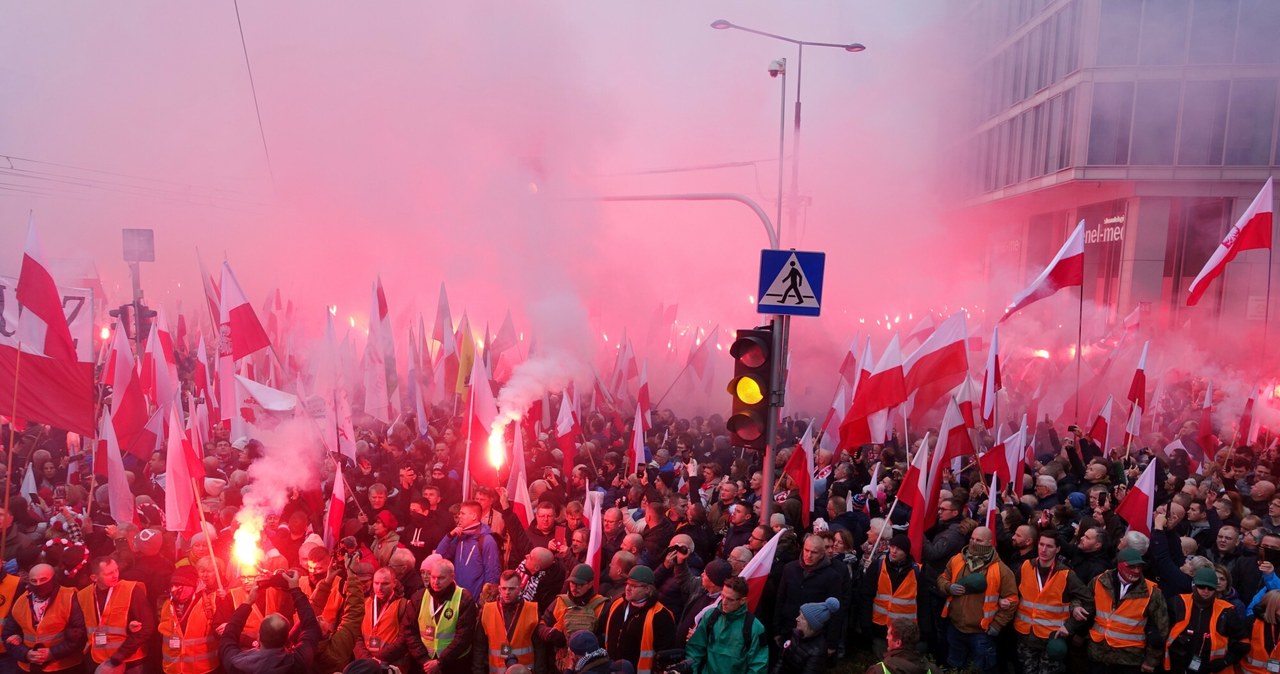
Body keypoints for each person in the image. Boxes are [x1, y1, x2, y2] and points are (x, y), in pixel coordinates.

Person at [936, 525, 1018, 674]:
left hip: (981, 632)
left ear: (989, 543)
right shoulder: (957, 560)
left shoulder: (1002, 571)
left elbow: (1012, 599)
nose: (973, 543)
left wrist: (997, 625)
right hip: (955, 627)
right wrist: (948, 587)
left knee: (980, 670)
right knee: (954, 666)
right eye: (972, 538)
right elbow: (942, 578)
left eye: (979, 540)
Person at [1078, 547, 1169, 674]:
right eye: (1131, 567)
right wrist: (1075, 608)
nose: (1136, 571)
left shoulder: (1152, 592)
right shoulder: (1100, 581)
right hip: (1098, 654)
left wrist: (1151, 661)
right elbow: (1082, 600)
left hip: (1129, 660)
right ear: (1120, 565)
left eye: (1139, 567)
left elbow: (1161, 629)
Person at [218, 569, 320, 674]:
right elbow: (310, 625)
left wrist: (248, 602)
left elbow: (228, 636)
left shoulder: (237, 664)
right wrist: (295, 589)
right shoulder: (299, 661)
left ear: (259, 637)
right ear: (287, 639)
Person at [1013, 531, 1086, 674]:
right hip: (1025, 635)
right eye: (1041, 544)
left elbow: (1087, 599)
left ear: (1058, 549)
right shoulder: (1026, 566)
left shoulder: (1066, 574)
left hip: (1051, 639)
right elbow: (1013, 592)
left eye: (1049, 546)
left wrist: (1070, 626)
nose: (1044, 550)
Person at [2, 563, 85, 673]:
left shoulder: (69, 597)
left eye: (43, 579)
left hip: (63, 666)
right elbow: (8, 634)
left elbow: (79, 634)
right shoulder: (21, 601)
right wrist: (26, 653)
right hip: (28, 666)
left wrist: (52, 653)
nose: (39, 584)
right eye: (34, 581)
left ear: (53, 578)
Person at [76, 556, 154, 674]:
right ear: (94, 578)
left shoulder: (131, 589)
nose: (115, 575)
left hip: (130, 661)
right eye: (109, 573)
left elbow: (147, 627)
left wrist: (119, 655)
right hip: (97, 659)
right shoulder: (83, 595)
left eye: (116, 570)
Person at [1163, 566, 1248, 673]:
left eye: (1210, 588)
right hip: (1177, 666)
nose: (1206, 591)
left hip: (1210, 668)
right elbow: (1161, 632)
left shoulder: (1227, 611)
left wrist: (1225, 662)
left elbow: (1244, 643)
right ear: (1194, 585)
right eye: (1202, 586)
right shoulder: (1177, 603)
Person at [774, 534, 847, 655]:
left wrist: (831, 643)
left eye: (814, 552)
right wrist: (776, 630)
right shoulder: (789, 569)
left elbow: (836, 613)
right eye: (806, 550)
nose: (809, 555)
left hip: (814, 637)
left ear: (822, 554)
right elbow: (780, 599)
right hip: (787, 629)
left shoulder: (832, 577)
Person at [402, 559, 477, 674]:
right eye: (433, 577)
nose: (436, 582)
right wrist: (425, 660)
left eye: (441, 578)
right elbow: (409, 631)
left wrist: (440, 662)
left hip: (455, 664)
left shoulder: (464, 599)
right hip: (424, 662)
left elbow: (463, 637)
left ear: (452, 577)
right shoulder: (418, 597)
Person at [683, 576, 768, 674]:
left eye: (730, 599)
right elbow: (695, 649)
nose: (724, 602)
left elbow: (758, 665)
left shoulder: (755, 627)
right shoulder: (710, 616)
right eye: (722, 596)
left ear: (742, 601)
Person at [157, 566, 232, 674]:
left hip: (204, 669)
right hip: (173, 669)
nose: (174, 589)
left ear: (192, 585)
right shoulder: (167, 604)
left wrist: (226, 598)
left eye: (179, 585)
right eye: (172, 585)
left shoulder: (211, 602)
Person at [601, 566, 675, 674]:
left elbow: (664, 656)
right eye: (627, 584)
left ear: (647, 589)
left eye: (634, 586)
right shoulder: (617, 605)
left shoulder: (661, 615)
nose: (628, 588)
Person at [537, 564, 608, 671]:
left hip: (589, 666)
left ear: (590, 584)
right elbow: (541, 625)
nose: (575, 587)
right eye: (572, 583)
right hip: (559, 664)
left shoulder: (602, 605)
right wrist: (550, 634)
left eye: (580, 584)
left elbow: (606, 636)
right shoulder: (559, 601)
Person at [863, 533, 919, 656]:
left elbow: (923, 602)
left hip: (905, 632)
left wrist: (924, 630)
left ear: (906, 552)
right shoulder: (878, 566)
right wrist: (866, 623)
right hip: (880, 629)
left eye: (898, 549)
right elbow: (866, 596)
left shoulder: (917, 571)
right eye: (892, 547)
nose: (893, 551)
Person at [474, 570, 539, 673]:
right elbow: (479, 646)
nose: (507, 592)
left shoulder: (532, 610)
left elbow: (539, 648)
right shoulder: (487, 611)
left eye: (511, 589)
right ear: (499, 589)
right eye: (504, 588)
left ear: (520, 589)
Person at [434, 502, 501, 601]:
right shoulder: (459, 536)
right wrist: (449, 536)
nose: (459, 516)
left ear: (473, 516)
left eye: (462, 513)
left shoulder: (487, 540)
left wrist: (483, 602)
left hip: (475, 602)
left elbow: (492, 574)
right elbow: (439, 556)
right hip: (456, 599)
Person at [771, 597, 840, 674]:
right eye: (799, 614)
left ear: (812, 625)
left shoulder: (817, 653)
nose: (797, 618)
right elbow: (781, 660)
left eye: (803, 618)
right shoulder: (794, 633)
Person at [354, 568, 407, 667]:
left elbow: (403, 639)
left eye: (385, 584)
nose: (379, 588)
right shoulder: (365, 603)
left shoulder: (403, 605)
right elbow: (356, 635)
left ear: (394, 583)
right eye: (376, 583)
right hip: (365, 663)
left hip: (390, 663)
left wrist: (378, 658)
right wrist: (367, 659)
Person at [865, 618, 935, 674]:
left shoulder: (878, 671)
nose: (886, 637)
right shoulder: (932, 670)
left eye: (889, 635)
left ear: (898, 643)